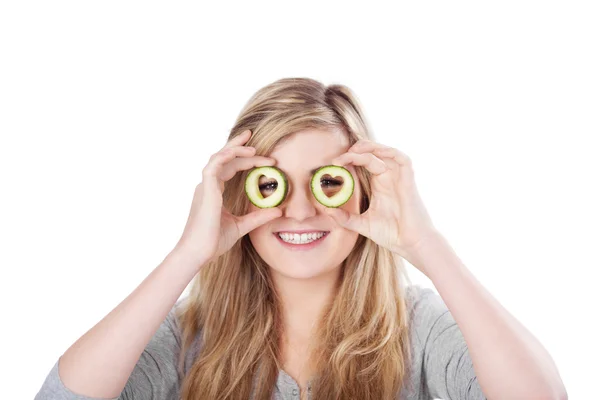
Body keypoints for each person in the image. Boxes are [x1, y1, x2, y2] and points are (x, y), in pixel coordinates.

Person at [35, 77, 567, 400]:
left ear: (360, 191)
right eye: (271, 185)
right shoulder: (190, 337)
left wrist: (425, 243)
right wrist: (187, 255)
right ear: (241, 196)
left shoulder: (413, 328)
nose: (300, 208)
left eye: (326, 182)